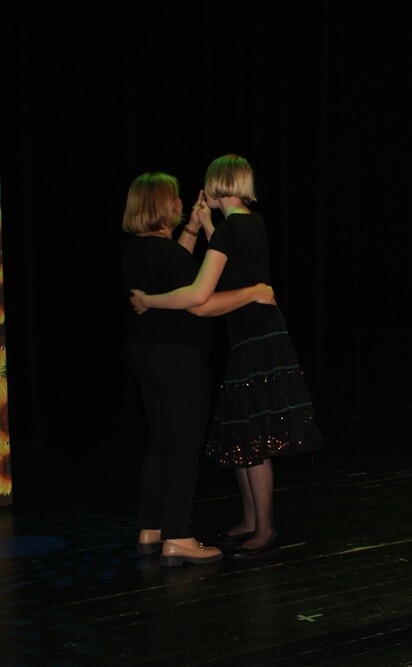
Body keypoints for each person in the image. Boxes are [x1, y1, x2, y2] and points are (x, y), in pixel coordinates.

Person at [130, 154, 326, 559]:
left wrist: (149, 300)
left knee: (252, 435)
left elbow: (199, 299)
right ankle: (252, 520)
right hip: (257, 336)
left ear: (215, 186)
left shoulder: (228, 233)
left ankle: (264, 528)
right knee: (244, 433)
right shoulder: (250, 223)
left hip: (254, 339)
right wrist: (205, 227)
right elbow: (232, 259)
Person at [122, 171, 277, 567]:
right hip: (179, 362)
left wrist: (191, 229)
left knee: (161, 441)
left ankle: (150, 529)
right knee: (185, 447)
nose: (180, 202)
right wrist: (253, 292)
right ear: (162, 205)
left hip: (145, 356)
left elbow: (175, 271)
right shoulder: (169, 254)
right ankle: (178, 537)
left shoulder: (137, 250)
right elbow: (201, 304)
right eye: (175, 196)